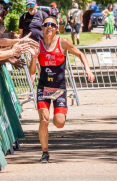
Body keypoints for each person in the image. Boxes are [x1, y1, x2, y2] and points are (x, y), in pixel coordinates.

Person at [28, 16, 95, 163]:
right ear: (42, 28)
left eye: (52, 25)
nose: (49, 27)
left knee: (59, 123)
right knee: (44, 120)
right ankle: (45, 152)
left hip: (59, 88)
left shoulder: (63, 42)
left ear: (57, 28)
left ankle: (61, 114)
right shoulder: (37, 46)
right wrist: (34, 58)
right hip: (43, 87)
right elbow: (32, 71)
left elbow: (80, 54)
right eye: (46, 25)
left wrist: (88, 70)